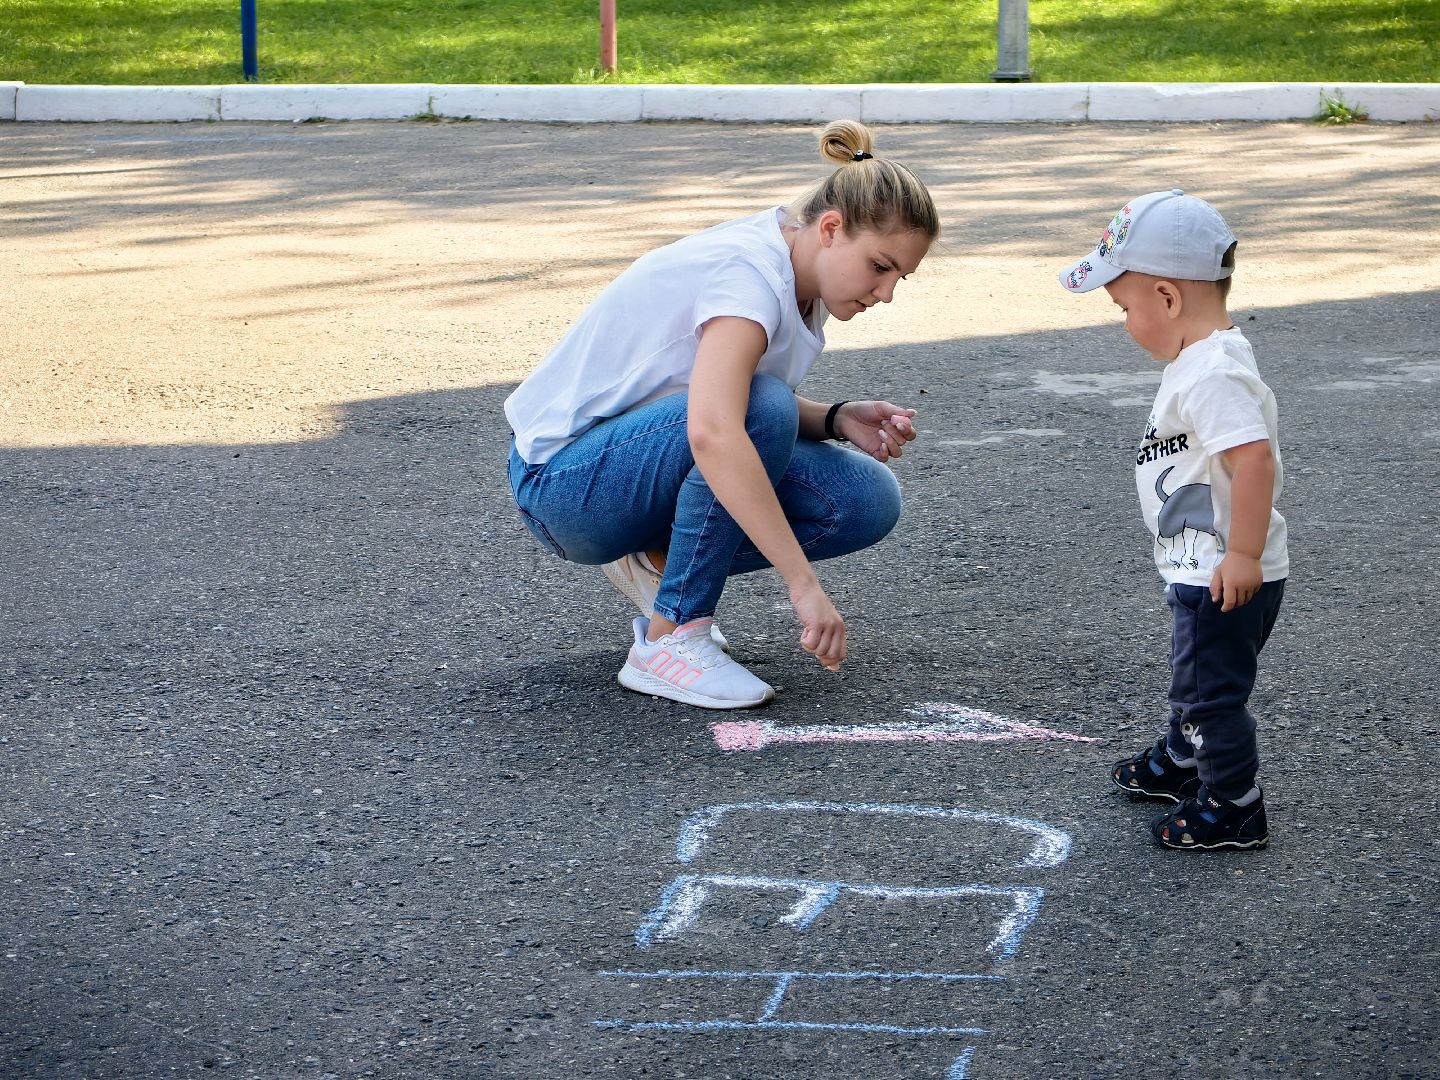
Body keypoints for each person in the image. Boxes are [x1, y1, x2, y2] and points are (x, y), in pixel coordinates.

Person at [505, 120, 939, 711]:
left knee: (863, 500)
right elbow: (716, 429)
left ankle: (657, 559)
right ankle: (672, 638)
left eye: (900, 278)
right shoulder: (750, 276)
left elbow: (721, 405)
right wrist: (803, 586)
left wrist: (836, 418)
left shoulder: (797, 271)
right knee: (762, 408)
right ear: (831, 229)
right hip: (563, 485)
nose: (885, 292)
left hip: (626, 466)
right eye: (880, 266)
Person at [1059, 189, 1288, 850]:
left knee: (1214, 693)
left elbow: (1253, 463)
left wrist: (1241, 555)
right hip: (1203, 564)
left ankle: (1233, 804)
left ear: (1166, 297)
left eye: (1125, 308)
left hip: (1224, 569)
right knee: (1192, 674)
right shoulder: (1203, 359)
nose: (1125, 322)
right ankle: (1184, 758)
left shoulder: (1212, 373)